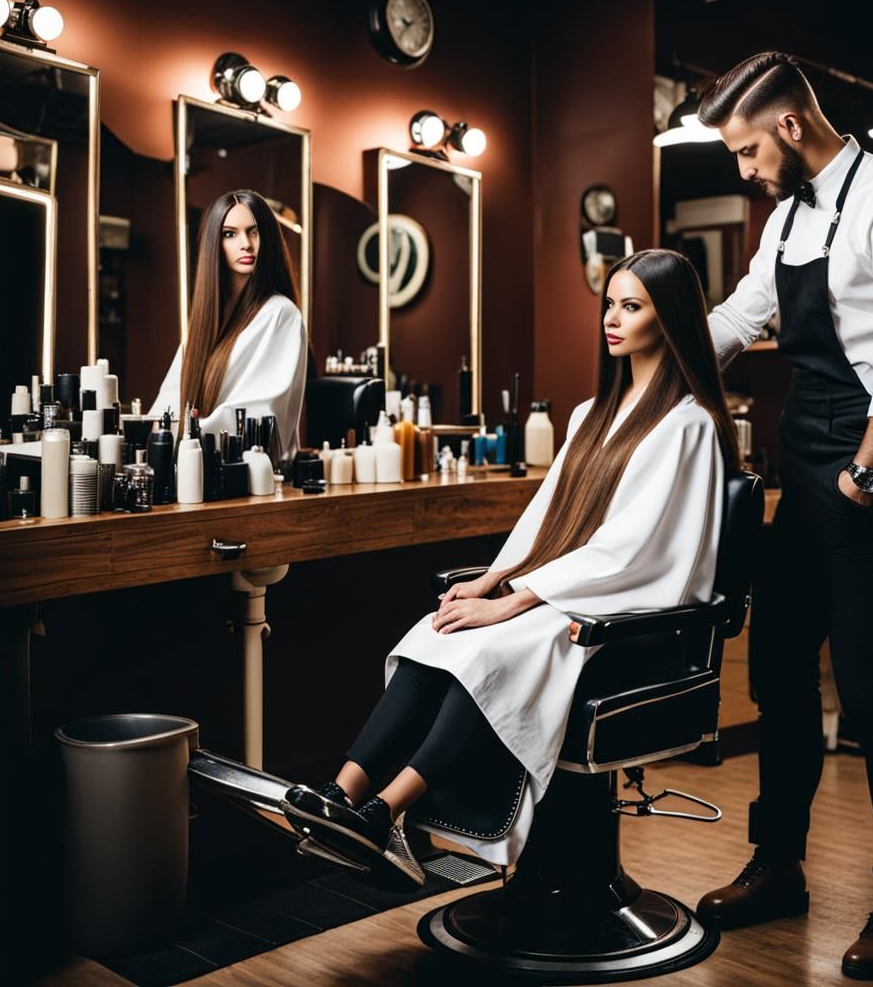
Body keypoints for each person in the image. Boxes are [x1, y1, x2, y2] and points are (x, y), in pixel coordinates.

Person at [282, 249, 738, 889]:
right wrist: (494, 579)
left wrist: (515, 601)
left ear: (669, 321)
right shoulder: (589, 415)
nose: (611, 318)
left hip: (622, 614)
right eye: (609, 303)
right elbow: (544, 518)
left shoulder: (688, 424)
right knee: (438, 635)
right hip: (564, 593)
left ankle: (387, 810)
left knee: (492, 653)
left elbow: (634, 550)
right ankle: (341, 795)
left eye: (631, 307)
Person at [691, 53, 873, 981]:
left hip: (867, 464)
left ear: (791, 128)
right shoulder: (790, 213)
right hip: (800, 459)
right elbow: (741, 313)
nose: (745, 171)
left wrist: (868, 473)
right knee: (780, 676)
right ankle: (779, 866)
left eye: (749, 150)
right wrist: (653, 351)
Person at [150, 189, 307, 461]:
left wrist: (186, 433)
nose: (245, 243)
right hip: (200, 469)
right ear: (215, 243)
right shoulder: (205, 323)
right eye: (230, 234)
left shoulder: (281, 315)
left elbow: (258, 414)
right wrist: (165, 431)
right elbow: (167, 407)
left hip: (251, 475)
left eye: (253, 232)